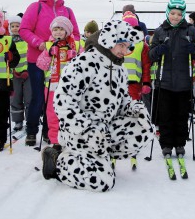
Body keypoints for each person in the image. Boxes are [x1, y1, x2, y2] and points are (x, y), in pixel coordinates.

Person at [41, 20, 154, 191]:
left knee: (143, 128)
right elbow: (63, 101)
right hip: (81, 133)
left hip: (104, 131)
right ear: (109, 40)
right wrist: (86, 130)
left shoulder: (120, 70)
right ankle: (58, 160)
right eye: (121, 45)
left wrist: (135, 109)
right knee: (103, 182)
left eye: (128, 46)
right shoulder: (83, 63)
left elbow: (122, 102)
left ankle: (99, 157)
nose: (125, 51)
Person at [19, 0, 80, 146]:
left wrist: (71, 47)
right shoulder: (35, 7)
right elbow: (24, 29)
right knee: (38, 97)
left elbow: (75, 34)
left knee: (54, 98)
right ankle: (31, 131)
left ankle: (49, 132)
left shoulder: (67, 11)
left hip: (60, 63)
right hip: (37, 60)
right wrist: (39, 44)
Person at [149, 0, 195, 157]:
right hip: (164, 82)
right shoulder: (160, 30)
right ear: (167, 12)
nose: (175, 17)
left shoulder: (190, 30)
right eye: (172, 13)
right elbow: (151, 55)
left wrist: (192, 48)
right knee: (165, 115)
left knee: (181, 114)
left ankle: (180, 143)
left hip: (184, 82)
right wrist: (159, 50)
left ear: (183, 14)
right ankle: (166, 144)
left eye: (179, 14)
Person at [36, 16, 83, 149]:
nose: (58, 32)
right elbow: (41, 65)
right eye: (55, 29)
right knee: (52, 114)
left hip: (71, 88)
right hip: (52, 87)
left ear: (67, 31)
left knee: (71, 113)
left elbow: (85, 66)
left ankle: (72, 139)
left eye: (61, 29)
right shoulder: (49, 45)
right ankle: (55, 141)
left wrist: (75, 56)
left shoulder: (77, 45)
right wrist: (48, 54)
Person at [121, 11, 151, 169]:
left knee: (132, 112)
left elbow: (146, 65)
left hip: (135, 84)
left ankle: (132, 138)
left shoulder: (141, 44)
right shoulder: (115, 43)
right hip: (118, 84)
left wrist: (146, 82)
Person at [0, 10, 20, 152]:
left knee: (1, 112)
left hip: (2, 82)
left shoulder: (7, 40)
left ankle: (0, 137)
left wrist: (11, 57)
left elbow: (16, 59)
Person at [8, 15, 31, 131]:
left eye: (17, 26)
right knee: (16, 98)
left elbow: (29, 56)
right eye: (13, 26)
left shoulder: (27, 39)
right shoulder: (8, 41)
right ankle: (18, 121)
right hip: (14, 74)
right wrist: (13, 70)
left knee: (29, 98)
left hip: (27, 73)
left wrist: (27, 69)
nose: (15, 28)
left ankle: (30, 120)